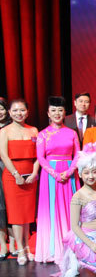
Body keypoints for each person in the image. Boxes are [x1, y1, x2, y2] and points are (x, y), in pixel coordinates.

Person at [55, 142, 96, 277]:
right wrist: (91, 245)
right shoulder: (78, 196)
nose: (91, 176)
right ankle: (82, 260)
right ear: (80, 174)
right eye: (87, 173)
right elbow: (74, 226)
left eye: (94, 172)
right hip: (87, 238)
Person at [35, 96, 81, 264]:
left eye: (60, 110)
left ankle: (74, 248)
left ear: (64, 112)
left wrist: (69, 172)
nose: (57, 113)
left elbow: (77, 154)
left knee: (71, 209)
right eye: (53, 110)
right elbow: (40, 157)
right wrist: (55, 174)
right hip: (50, 177)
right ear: (48, 113)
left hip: (70, 175)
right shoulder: (43, 134)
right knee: (52, 210)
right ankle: (54, 250)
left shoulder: (72, 133)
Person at [0, 99, 39, 265]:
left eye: (22, 110)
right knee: (16, 215)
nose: (19, 113)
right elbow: (3, 155)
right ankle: (20, 249)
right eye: (15, 110)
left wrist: (35, 173)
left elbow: (38, 155)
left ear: (27, 112)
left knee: (27, 214)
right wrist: (16, 174)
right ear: (10, 112)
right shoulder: (5, 131)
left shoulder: (34, 130)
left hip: (30, 176)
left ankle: (28, 247)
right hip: (12, 177)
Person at [0, 97, 13, 260]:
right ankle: (2, 244)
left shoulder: (12, 127)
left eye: (2, 108)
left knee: (10, 205)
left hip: (8, 168)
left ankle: (14, 241)